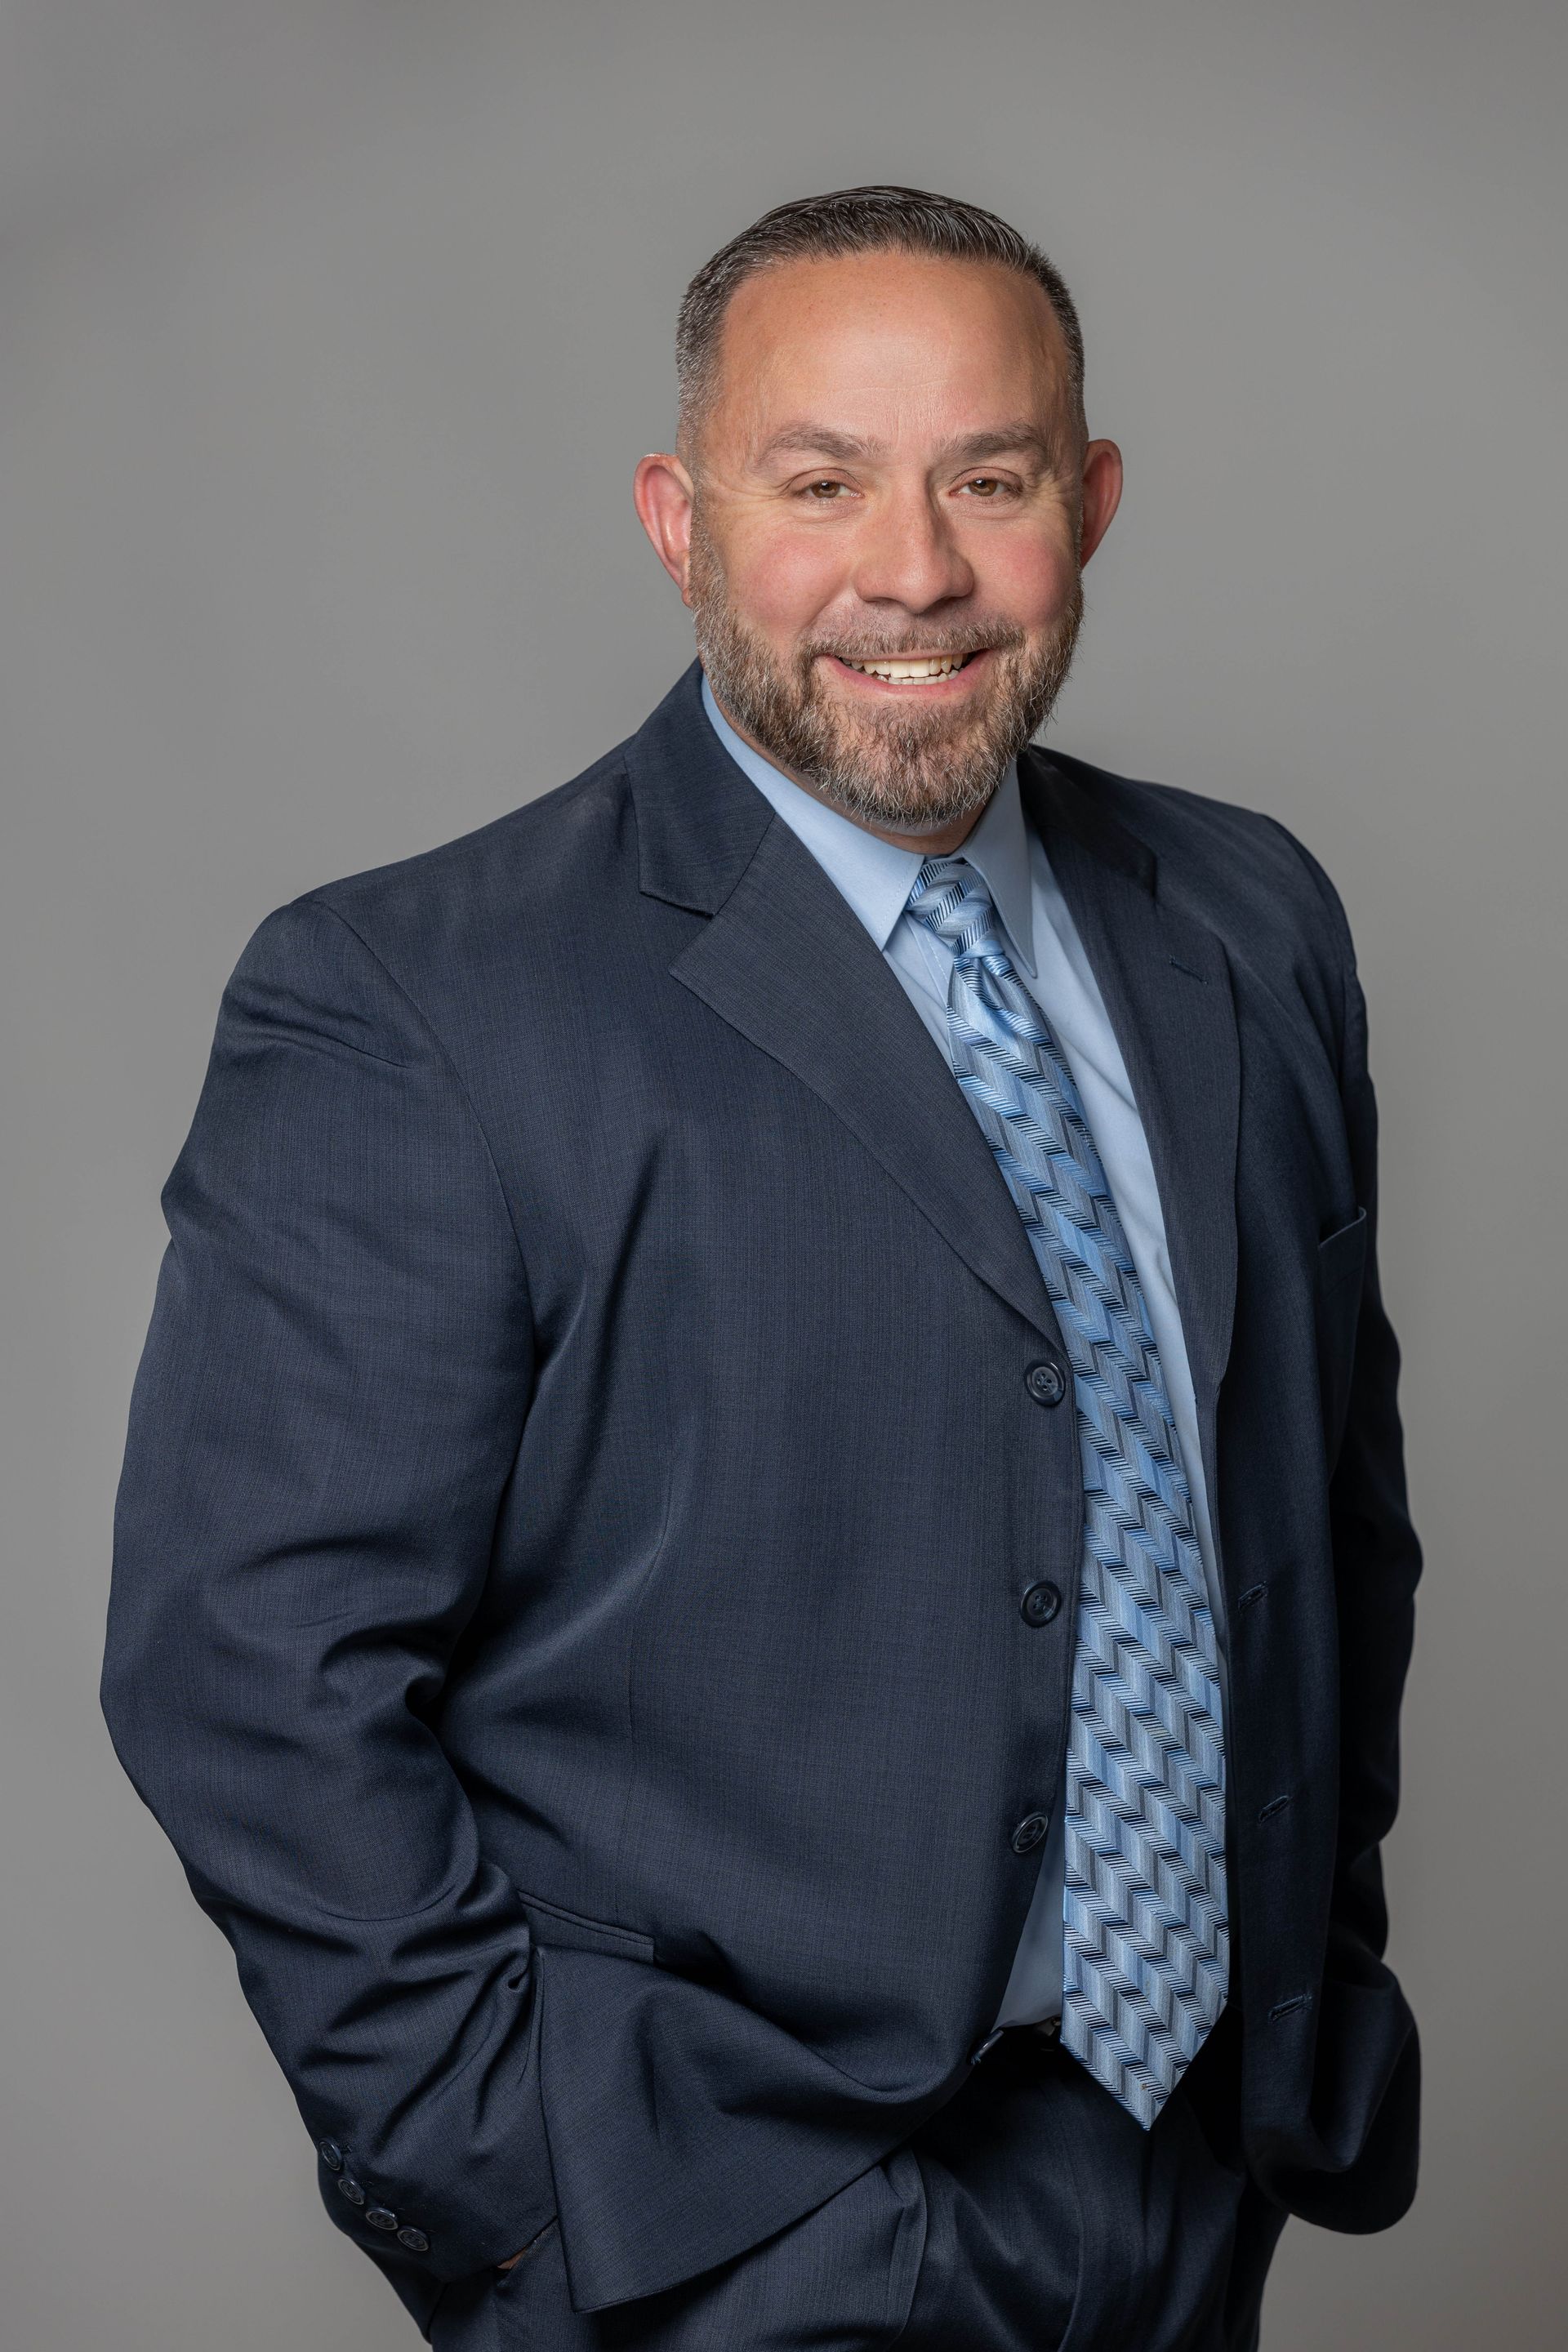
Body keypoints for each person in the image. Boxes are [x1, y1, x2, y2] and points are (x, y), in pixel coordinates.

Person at [101, 185, 1423, 2350]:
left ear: (1086, 504)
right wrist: (523, 2195)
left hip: (1197, 2168)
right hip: (724, 2230)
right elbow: (247, 1681)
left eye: (988, 481)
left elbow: (1322, 1518)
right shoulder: (419, 998)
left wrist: (1304, 1977)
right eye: (819, 483)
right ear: (678, 516)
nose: (911, 570)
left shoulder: (1252, 922)